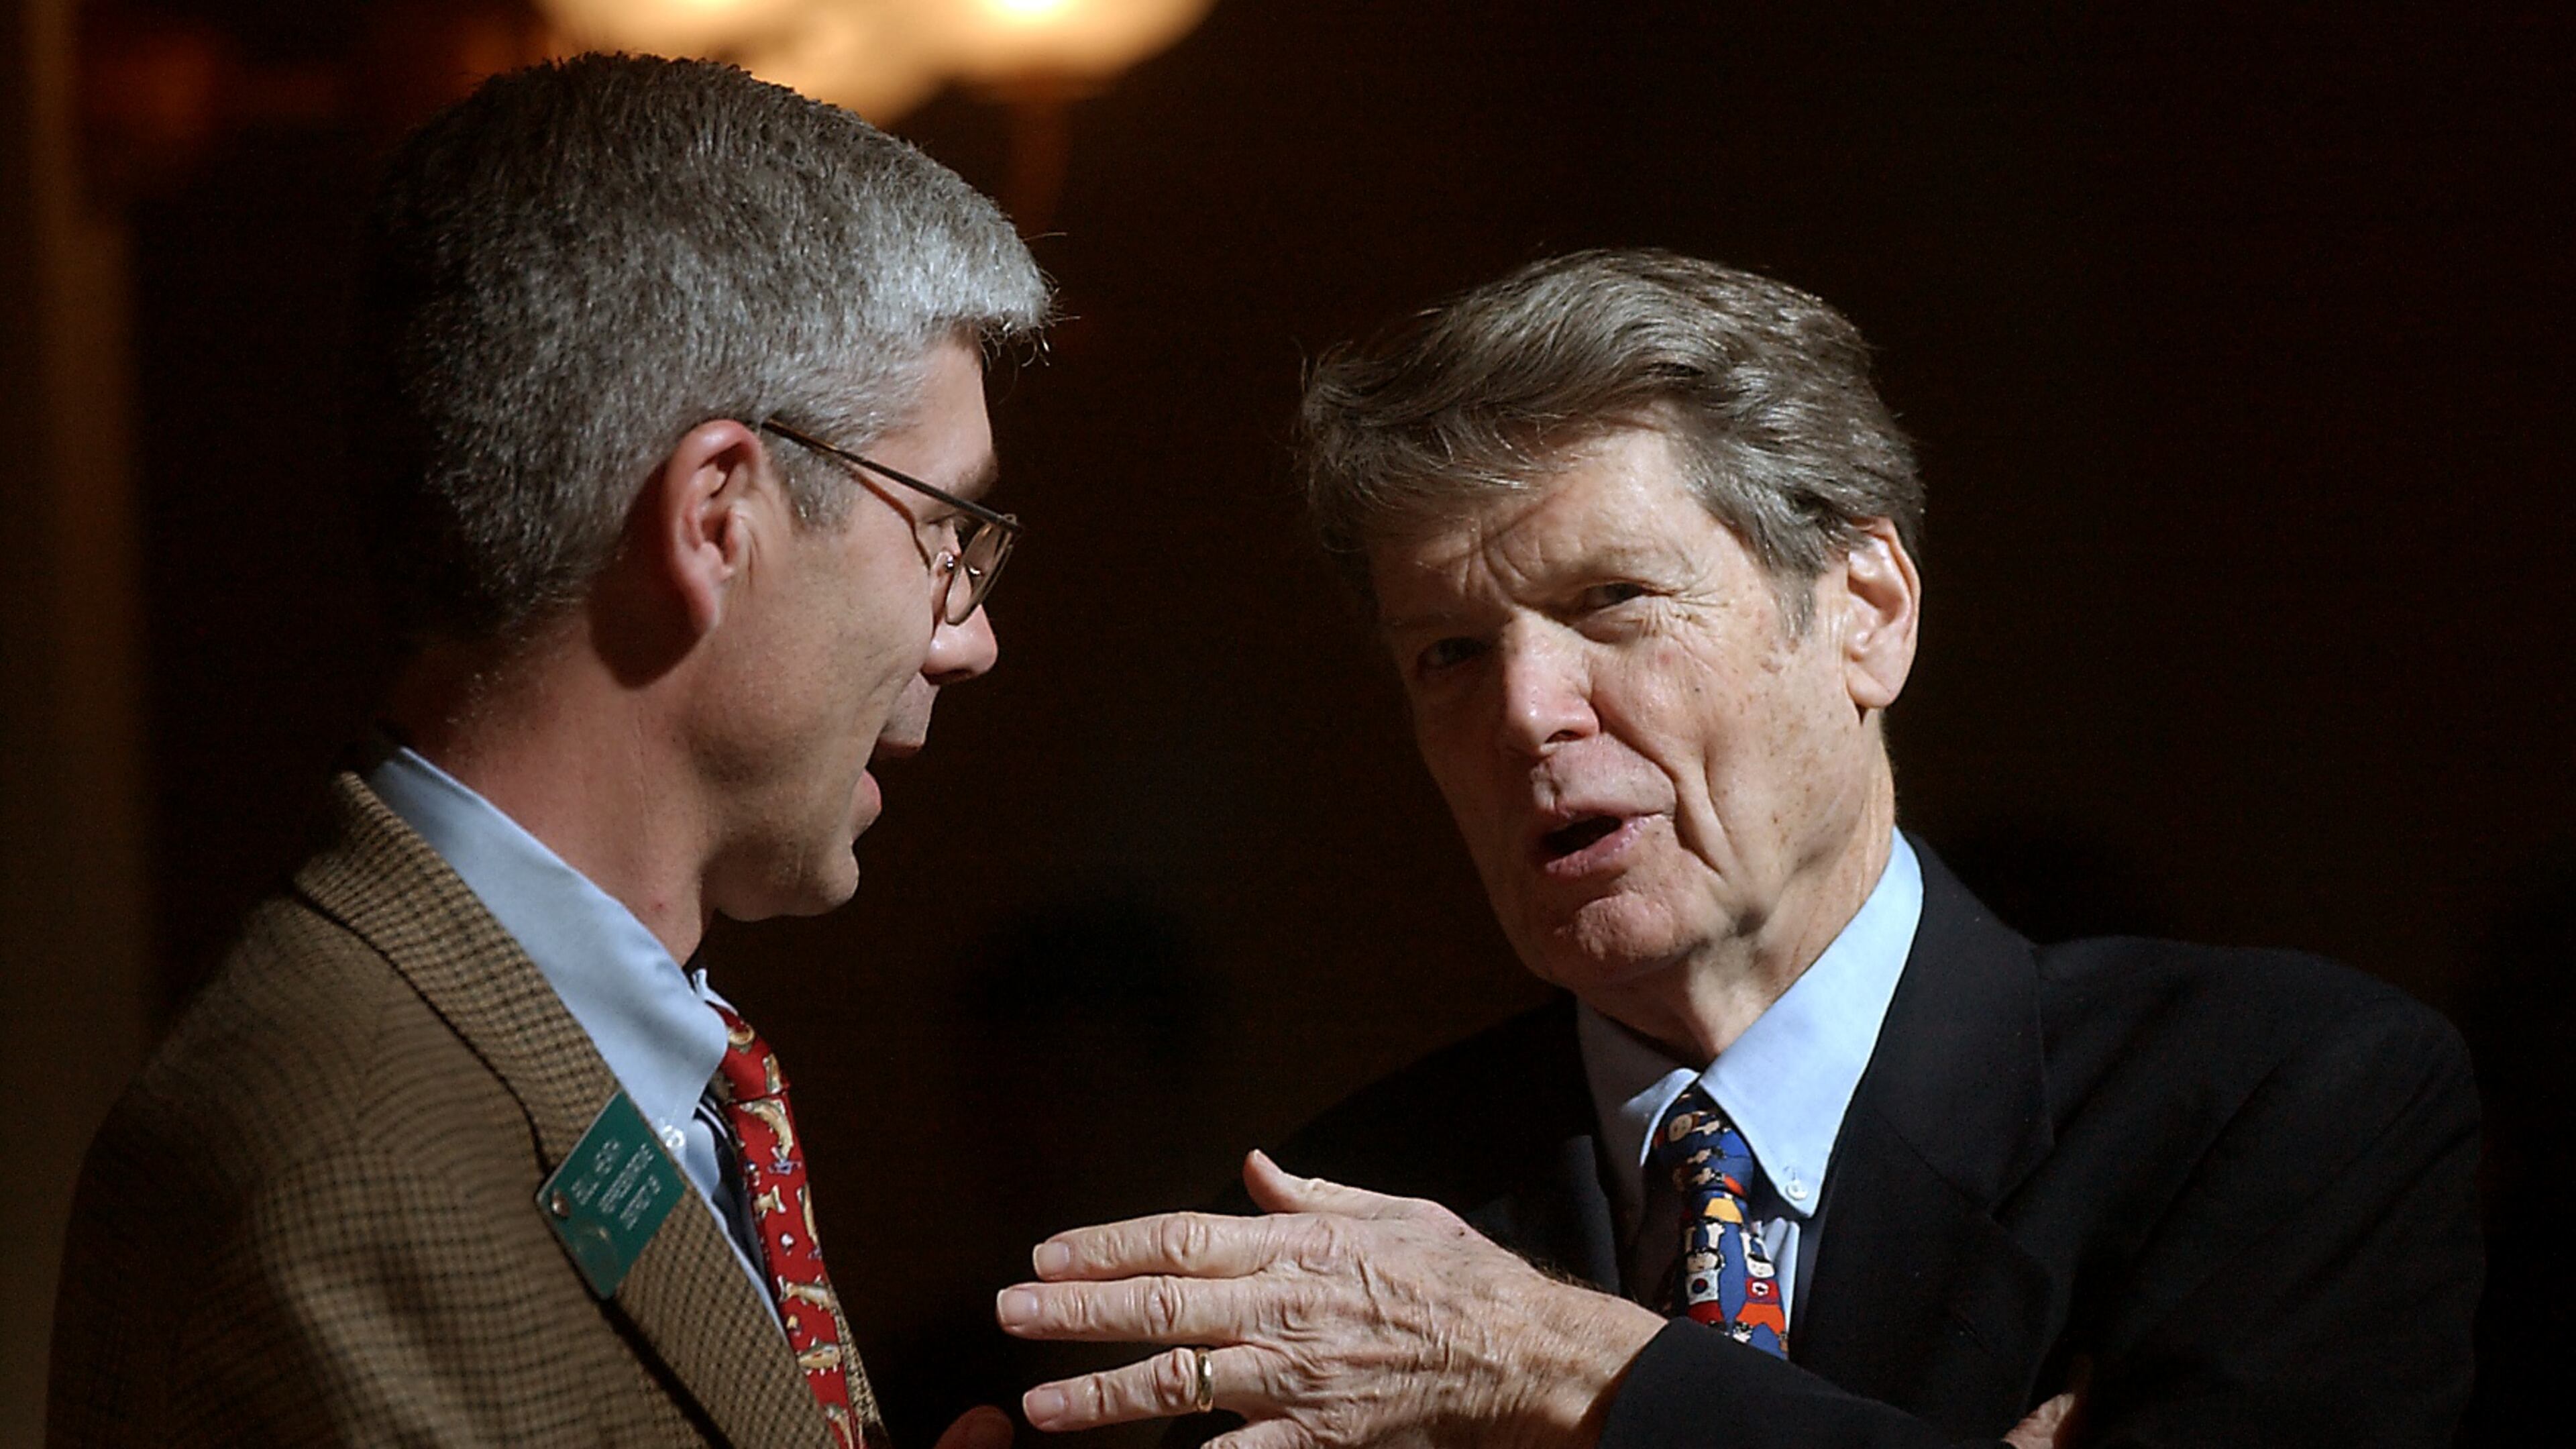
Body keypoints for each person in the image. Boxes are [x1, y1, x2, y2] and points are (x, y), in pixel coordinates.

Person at [992, 250, 2481, 1447]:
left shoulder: (2277, 1103)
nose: (1525, 711)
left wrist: (1571, 1369)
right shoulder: (1349, 1223)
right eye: (1448, 654)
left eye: (1612, 602)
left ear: (1866, 614)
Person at [49, 55, 1046, 1449]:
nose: (968, 639)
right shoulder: (340, 1173)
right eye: (944, 531)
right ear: (717, 517)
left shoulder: (533, 1054)